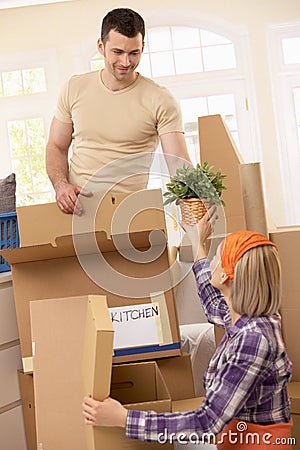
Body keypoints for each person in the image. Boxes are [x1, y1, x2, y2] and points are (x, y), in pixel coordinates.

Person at [82, 207, 293, 449]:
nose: (213, 260)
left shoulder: (254, 339)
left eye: (218, 257)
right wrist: (198, 243)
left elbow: (205, 423)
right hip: (238, 437)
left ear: (226, 276)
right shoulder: (247, 319)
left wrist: (123, 418)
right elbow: (213, 303)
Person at [46, 7, 192, 215]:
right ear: (101, 46)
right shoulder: (74, 88)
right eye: (118, 52)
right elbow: (56, 146)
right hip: (78, 212)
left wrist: (199, 195)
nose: (126, 62)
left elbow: (177, 161)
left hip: (130, 214)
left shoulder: (160, 99)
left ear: (143, 46)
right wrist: (61, 185)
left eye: (134, 53)